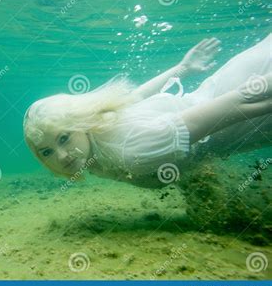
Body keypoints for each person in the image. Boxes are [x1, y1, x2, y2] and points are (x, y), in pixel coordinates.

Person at [23, 34, 271, 188]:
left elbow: (230, 105)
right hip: (234, 100)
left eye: (64, 138)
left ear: (81, 123)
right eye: (46, 151)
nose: (62, 156)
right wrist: (183, 67)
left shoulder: (129, 151)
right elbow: (134, 97)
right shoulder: (96, 140)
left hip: (244, 92)